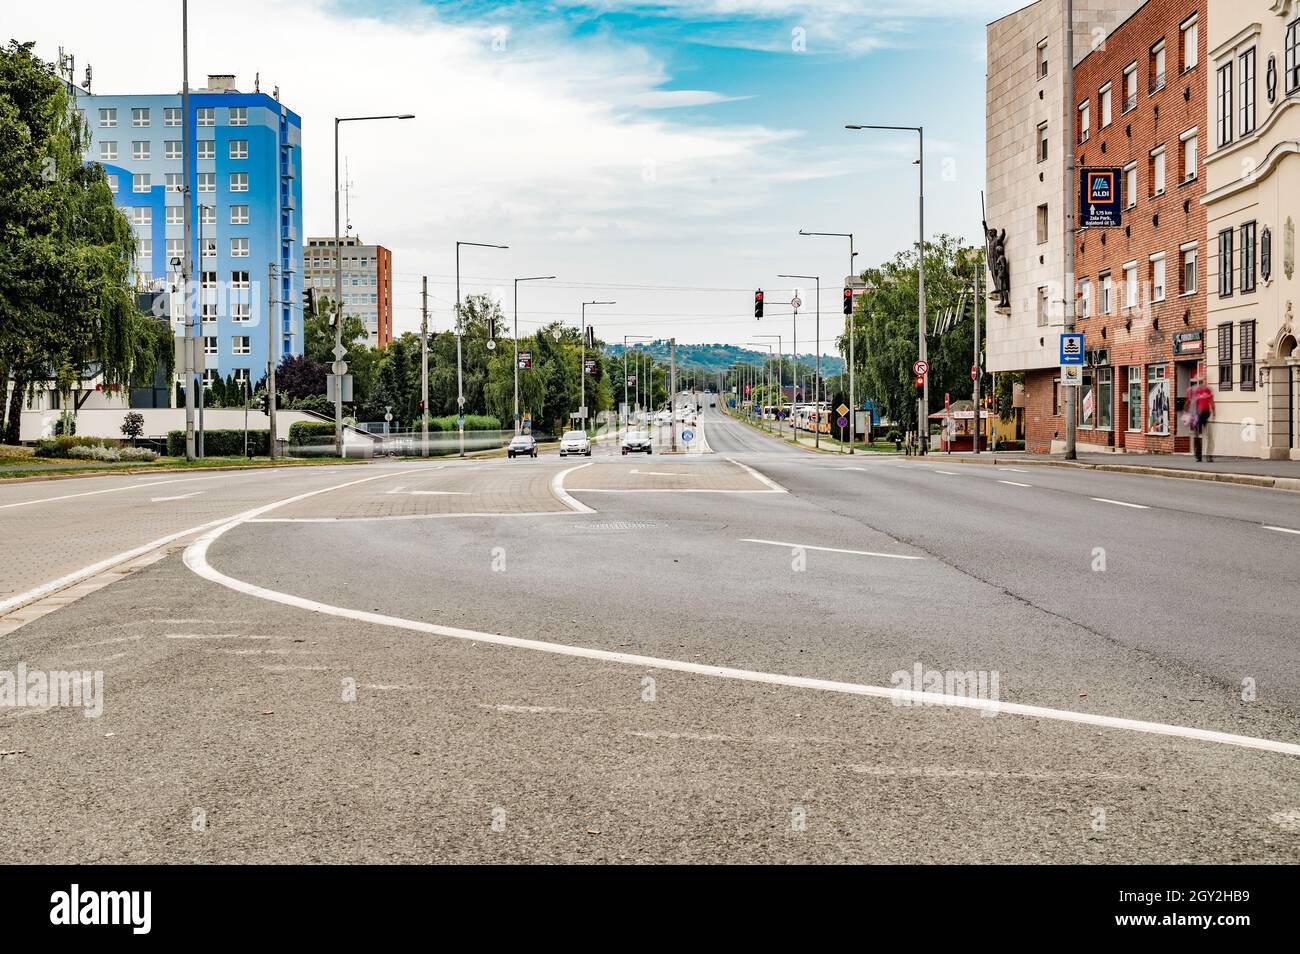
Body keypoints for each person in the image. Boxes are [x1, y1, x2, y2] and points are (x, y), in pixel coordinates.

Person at [1185, 377, 1215, 462]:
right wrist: (1186, 413)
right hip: (1196, 415)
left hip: (1205, 414)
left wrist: (1214, 412)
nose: (1203, 383)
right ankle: (1198, 456)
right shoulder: (1192, 391)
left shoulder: (1208, 390)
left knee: (1209, 436)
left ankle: (1209, 456)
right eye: (1202, 381)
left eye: (1204, 381)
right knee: (1197, 436)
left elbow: (1211, 401)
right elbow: (1188, 402)